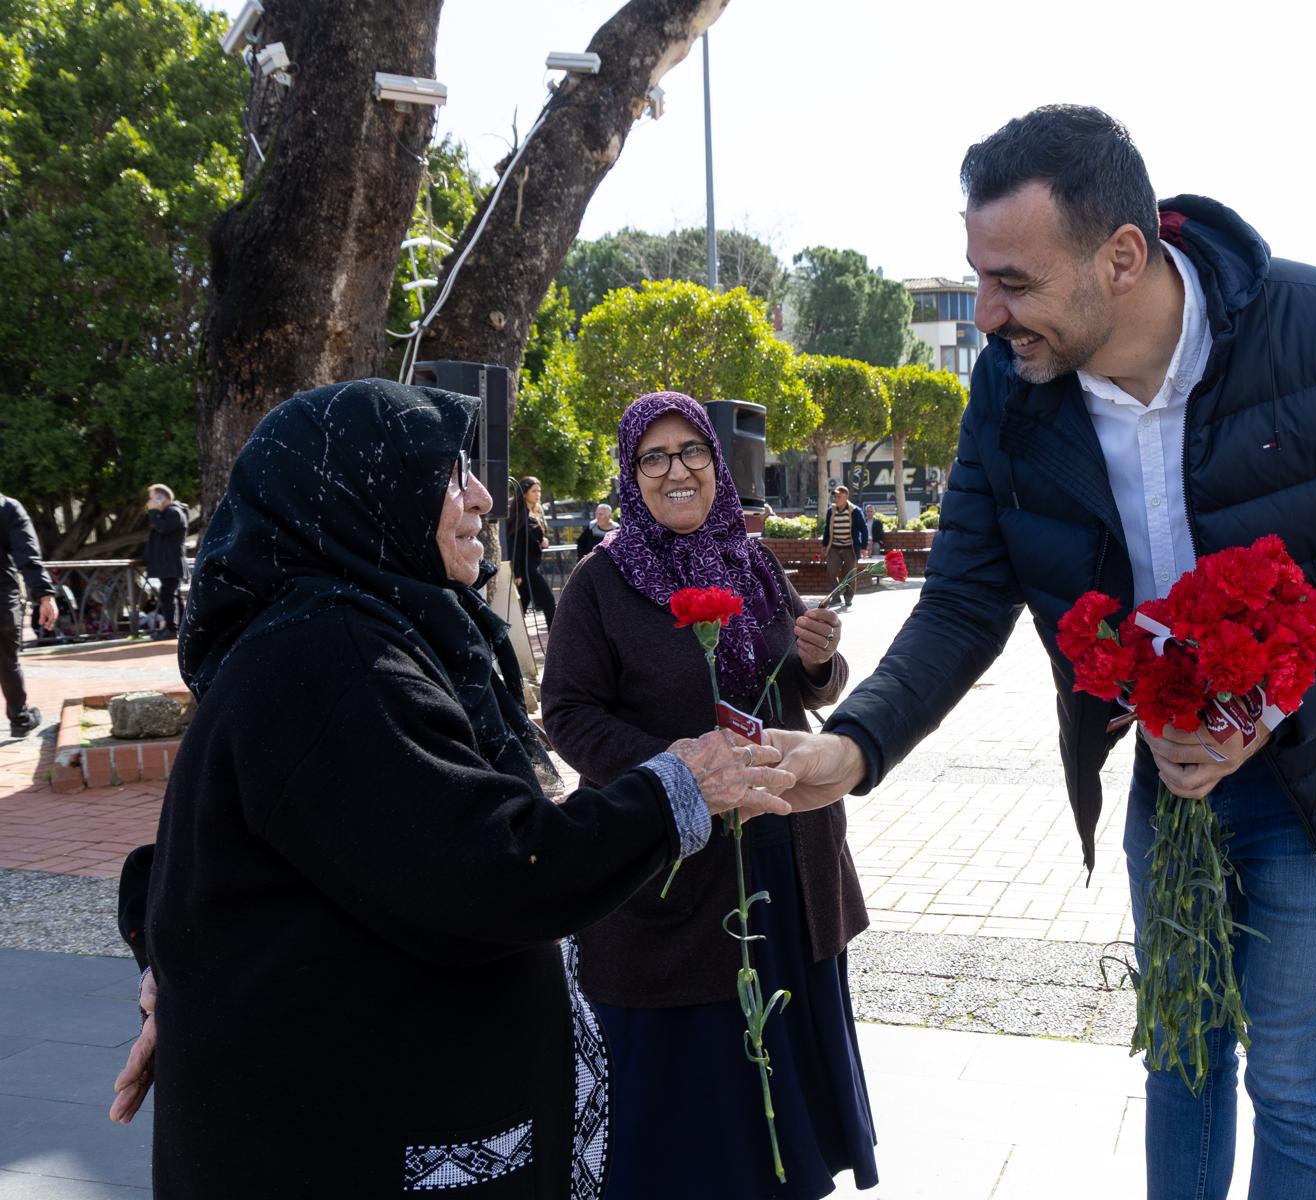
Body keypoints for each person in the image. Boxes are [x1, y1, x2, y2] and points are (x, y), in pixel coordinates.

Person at [771, 106, 1316, 1200]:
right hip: (1169, 768)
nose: (986, 315)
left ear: (1120, 257)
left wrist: (1272, 709)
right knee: (1183, 1056)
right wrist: (855, 747)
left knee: (1294, 1076)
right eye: (977, 278)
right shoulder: (1010, 387)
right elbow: (964, 600)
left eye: (1011, 281)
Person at [108, 379, 816, 1198]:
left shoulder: (348, 637)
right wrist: (677, 787)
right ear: (368, 498)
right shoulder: (334, 661)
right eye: (449, 476)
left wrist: (177, 965)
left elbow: (221, 860)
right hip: (345, 1147)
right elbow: (490, 869)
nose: (482, 497)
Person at [541, 391, 876, 1200]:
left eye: (690, 450)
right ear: (631, 475)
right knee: (695, 1111)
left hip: (787, 856)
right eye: (653, 457)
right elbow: (569, 716)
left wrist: (818, 659)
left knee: (785, 1078)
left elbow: (803, 686)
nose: (676, 470)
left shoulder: (751, 562)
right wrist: (680, 773)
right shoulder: (600, 582)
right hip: (675, 868)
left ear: (717, 463)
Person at [1, 492, 59, 736]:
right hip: (1, 598)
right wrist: (45, 595)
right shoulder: (8, 507)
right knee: (6, 661)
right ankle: (20, 718)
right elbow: (27, 555)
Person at [509, 475, 557, 626]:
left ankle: (509, 637)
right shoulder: (519, 515)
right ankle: (556, 638)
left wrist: (542, 540)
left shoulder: (535, 513)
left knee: (521, 607)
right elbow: (515, 544)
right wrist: (516, 571)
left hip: (532, 566)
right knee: (548, 601)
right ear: (524, 493)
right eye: (534, 491)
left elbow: (534, 538)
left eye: (539, 491)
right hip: (526, 568)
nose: (538, 494)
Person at [144, 484, 188, 640]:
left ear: (161, 498)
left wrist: (154, 512)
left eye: (152, 498)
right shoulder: (169, 513)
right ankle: (177, 628)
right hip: (168, 563)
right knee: (171, 595)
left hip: (171, 563)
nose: (149, 502)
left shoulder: (174, 512)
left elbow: (163, 529)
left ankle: (172, 628)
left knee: (168, 596)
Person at [819, 485, 868, 610]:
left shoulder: (855, 511)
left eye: (839, 496)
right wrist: (824, 545)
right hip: (834, 547)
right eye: (835, 496)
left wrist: (863, 547)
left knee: (850, 574)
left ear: (846, 497)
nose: (836, 499)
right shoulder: (831, 511)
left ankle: (848, 598)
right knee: (831, 572)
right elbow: (827, 529)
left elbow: (864, 529)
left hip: (850, 548)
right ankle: (836, 598)